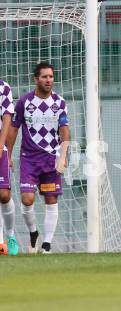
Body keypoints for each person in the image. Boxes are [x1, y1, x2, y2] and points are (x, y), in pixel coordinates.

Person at [7, 63, 70, 254]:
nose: (48, 80)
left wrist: (63, 156)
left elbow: (65, 131)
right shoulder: (24, 102)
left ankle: (47, 245)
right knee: (27, 199)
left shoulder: (60, 102)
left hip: (51, 159)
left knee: (51, 200)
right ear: (36, 79)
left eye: (51, 76)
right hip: (29, 159)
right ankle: (33, 232)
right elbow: (13, 129)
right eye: (44, 77)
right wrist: (7, 156)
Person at [0, 79, 19, 256]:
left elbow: (7, 117)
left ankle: (11, 235)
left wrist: (1, 145)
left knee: (3, 194)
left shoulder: (3, 87)